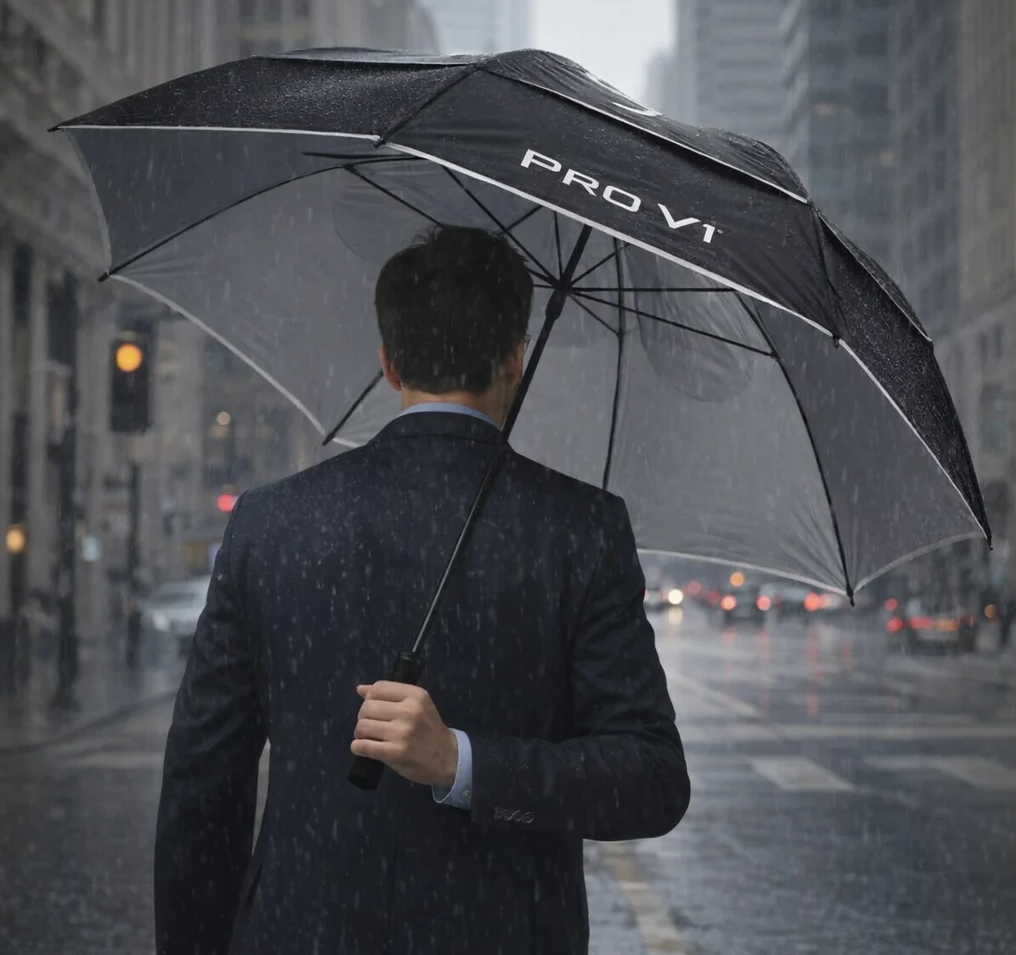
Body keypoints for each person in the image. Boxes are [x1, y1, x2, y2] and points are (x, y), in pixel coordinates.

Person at [154, 225, 690, 955]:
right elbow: (649, 781)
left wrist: (453, 758)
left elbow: (202, 787)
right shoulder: (581, 529)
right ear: (514, 361)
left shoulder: (272, 522)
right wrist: (477, 767)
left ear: (388, 365)